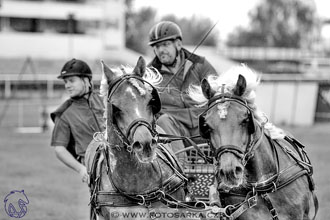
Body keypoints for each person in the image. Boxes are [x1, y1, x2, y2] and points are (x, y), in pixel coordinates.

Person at [148, 21, 217, 154]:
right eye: (156, 46)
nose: (161, 50)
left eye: (165, 44)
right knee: (163, 121)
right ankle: (180, 171)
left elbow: (218, 94)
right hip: (175, 132)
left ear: (178, 44)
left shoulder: (200, 64)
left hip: (203, 127)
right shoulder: (150, 74)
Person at [50, 58, 105, 184]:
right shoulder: (63, 112)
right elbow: (59, 149)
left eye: (71, 81)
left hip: (120, 159)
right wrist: (81, 169)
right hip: (94, 166)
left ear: (86, 80)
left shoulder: (105, 99)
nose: (67, 85)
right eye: (65, 82)